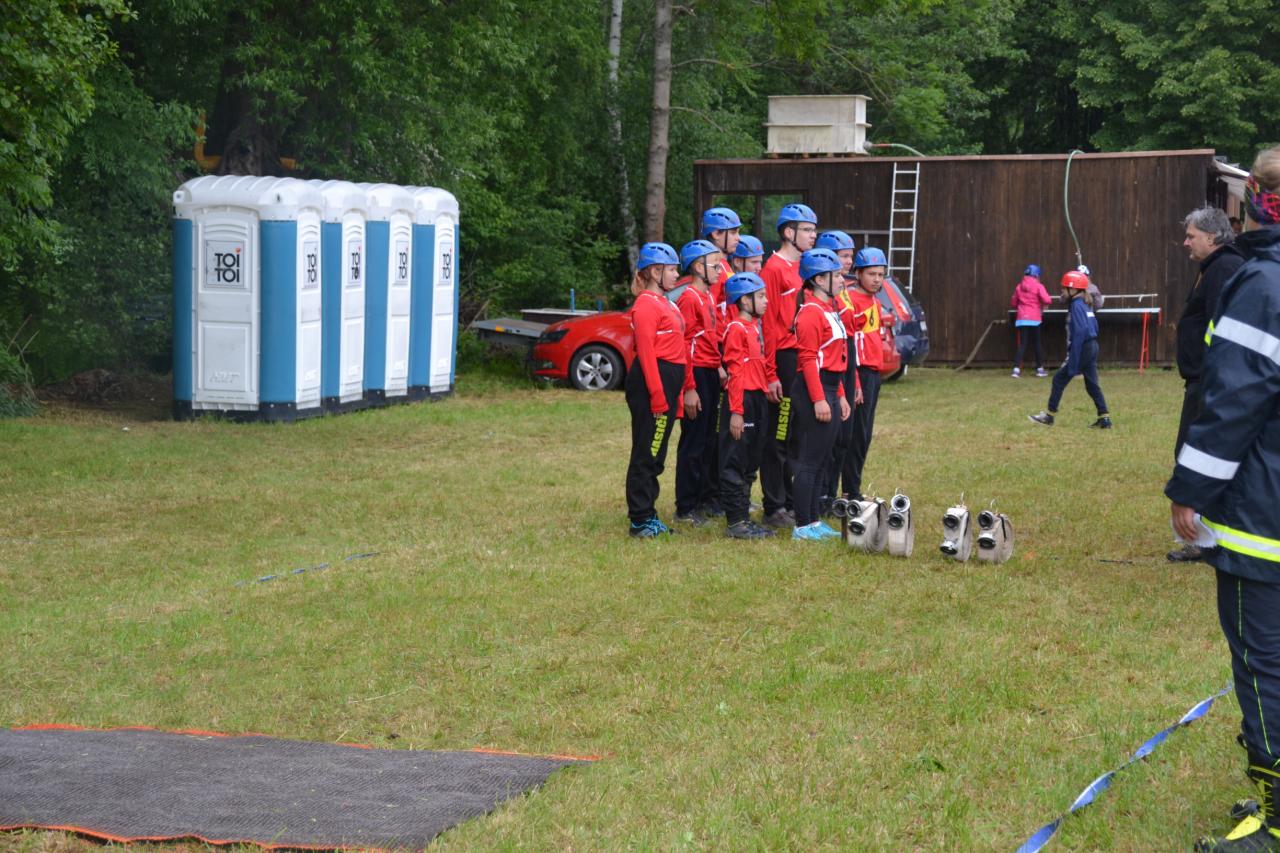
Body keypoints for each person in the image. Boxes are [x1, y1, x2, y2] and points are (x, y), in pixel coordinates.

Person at [1166, 145, 1280, 852]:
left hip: (1263, 517)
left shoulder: (1264, 285)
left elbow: (1234, 399)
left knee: (1264, 664)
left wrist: (1190, 491)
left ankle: (1274, 818)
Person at [1167, 207, 1243, 563]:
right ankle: (1206, 535)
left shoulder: (1224, 268)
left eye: (1191, 235)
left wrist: (1214, 379)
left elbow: (1223, 329)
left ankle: (1206, 538)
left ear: (1212, 237)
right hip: (1200, 380)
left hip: (1210, 382)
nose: (1186, 242)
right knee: (1190, 452)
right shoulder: (1211, 268)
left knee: (1198, 455)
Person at [625, 242, 697, 538]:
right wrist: (657, 396)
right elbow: (646, 352)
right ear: (655, 272)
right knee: (648, 450)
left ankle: (648, 513)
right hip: (651, 382)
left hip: (669, 382)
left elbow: (678, 349)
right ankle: (640, 519)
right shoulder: (645, 305)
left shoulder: (667, 303)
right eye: (672, 270)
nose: (677, 275)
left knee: (657, 450)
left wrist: (679, 392)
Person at [760, 203, 819, 528]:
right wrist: (770, 373)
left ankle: (795, 501)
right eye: (807, 230)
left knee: (799, 434)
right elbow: (768, 323)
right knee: (778, 434)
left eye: (814, 230)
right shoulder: (773, 269)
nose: (813, 235)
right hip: (782, 358)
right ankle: (774, 505)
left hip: (802, 356)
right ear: (788, 232)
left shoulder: (806, 266)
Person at [790, 247, 851, 541]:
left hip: (829, 386)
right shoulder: (810, 313)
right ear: (818, 279)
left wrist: (839, 394)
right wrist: (818, 399)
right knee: (810, 460)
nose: (841, 280)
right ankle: (802, 526)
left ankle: (813, 520)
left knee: (823, 459)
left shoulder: (828, 309)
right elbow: (808, 359)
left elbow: (834, 357)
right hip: (813, 389)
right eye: (836, 275)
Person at [719, 272, 776, 540]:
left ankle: (744, 517)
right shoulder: (736, 329)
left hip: (757, 398)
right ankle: (736, 522)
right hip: (742, 400)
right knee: (736, 459)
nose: (766, 301)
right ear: (745, 300)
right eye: (761, 296)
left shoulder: (754, 327)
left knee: (751, 459)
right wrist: (737, 412)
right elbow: (735, 372)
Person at [674, 239, 723, 527]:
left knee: (708, 440)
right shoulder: (689, 298)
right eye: (714, 265)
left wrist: (719, 366)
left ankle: (705, 499)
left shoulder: (708, 296)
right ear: (697, 266)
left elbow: (709, 338)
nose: (719, 270)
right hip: (697, 375)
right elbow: (684, 345)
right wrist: (689, 387)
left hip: (710, 371)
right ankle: (685, 507)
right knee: (693, 442)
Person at [815, 230, 863, 514]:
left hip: (846, 359)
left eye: (850, 256)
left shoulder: (843, 290)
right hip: (829, 364)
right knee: (828, 437)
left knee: (844, 436)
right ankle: (820, 496)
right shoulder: (823, 297)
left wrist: (853, 379)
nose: (849, 262)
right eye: (843, 256)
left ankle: (832, 494)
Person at [837, 247, 891, 502]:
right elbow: (848, 347)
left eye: (881, 274)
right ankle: (848, 492)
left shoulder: (875, 302)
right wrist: (855, 381)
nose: (877, 279)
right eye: (871, 274)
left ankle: (853, 488)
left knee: (865, 435)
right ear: (858, 273)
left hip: (873, 375)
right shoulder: (850, 300)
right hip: (858, 374)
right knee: (853, 436)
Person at [1028, 270, 1111, 428]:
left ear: (1073, 289)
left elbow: (1079, 332)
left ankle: (1049, 416)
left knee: (1059, 379)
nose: (1062, 291)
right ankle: (1104, 418)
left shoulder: (1076, 306)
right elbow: (1094, 326)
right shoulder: (1085, 304)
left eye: (1064, 288)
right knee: (1092, 384)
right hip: (1092, 346)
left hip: (1083, 348)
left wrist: (1074, 358)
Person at [1010, 264, 1053, 377]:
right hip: (1035, 319)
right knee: (1037, 343)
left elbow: (1013, 303)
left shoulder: (1019, 286)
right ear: (1036, 275)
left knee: (1022, 344)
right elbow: (1047, 300)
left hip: (1022, 318)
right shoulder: (1039, 286)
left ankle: (1016, 370)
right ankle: (1039, 369)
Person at [701, 207, 741, 324]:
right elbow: (710, 311)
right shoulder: (713, 268)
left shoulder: (724, 264)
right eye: (733, 232)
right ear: (716, 234)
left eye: (738, 232)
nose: (738, 238)